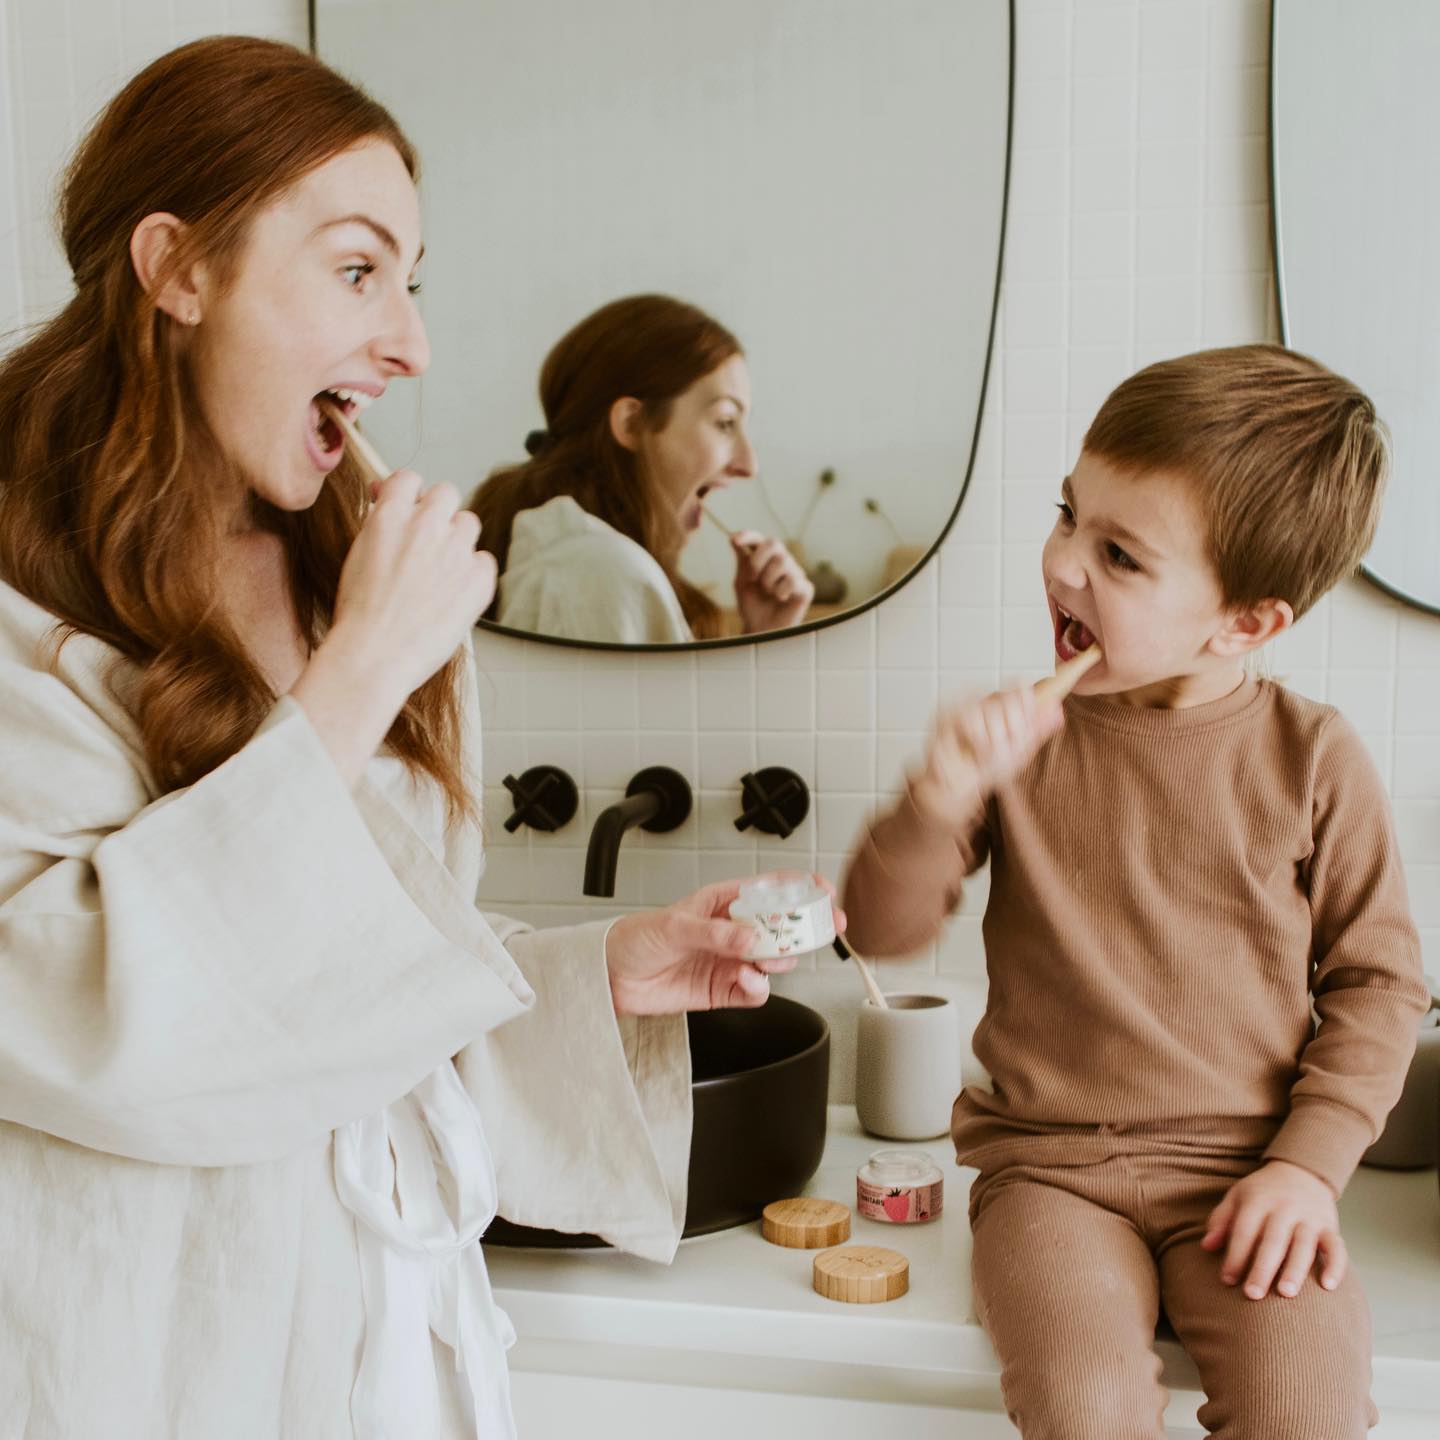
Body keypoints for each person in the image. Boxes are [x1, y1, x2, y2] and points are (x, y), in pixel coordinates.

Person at [0, 37, 834, 1439]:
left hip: (376, 1345)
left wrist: (591, 978)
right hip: (152, 1350)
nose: (412, 344)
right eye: (355, 269)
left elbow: (344, 972)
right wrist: (362, 674)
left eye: (412, 279)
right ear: (178, 268)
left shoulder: (348, 548)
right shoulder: (28, 602)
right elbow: (77, 1013)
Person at [840, 345, 1427, 1438]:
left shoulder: (1314, 757)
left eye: (1119, 555)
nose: (1065, 565)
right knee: (1084, 1407)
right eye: (1069, 516)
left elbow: (1381, 987)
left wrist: (1307, 1170)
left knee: (1312, 1416)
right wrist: (935, 799)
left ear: (1244, 623)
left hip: (1248, 1172)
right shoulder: (1021, 742)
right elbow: (879, 929)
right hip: (1049, 1176)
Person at [467, 294, 814, 642]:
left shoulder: (593, 565)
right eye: (725, 422)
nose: (749, 465)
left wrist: (762, 635)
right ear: (632, 423)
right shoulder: (599, 572)